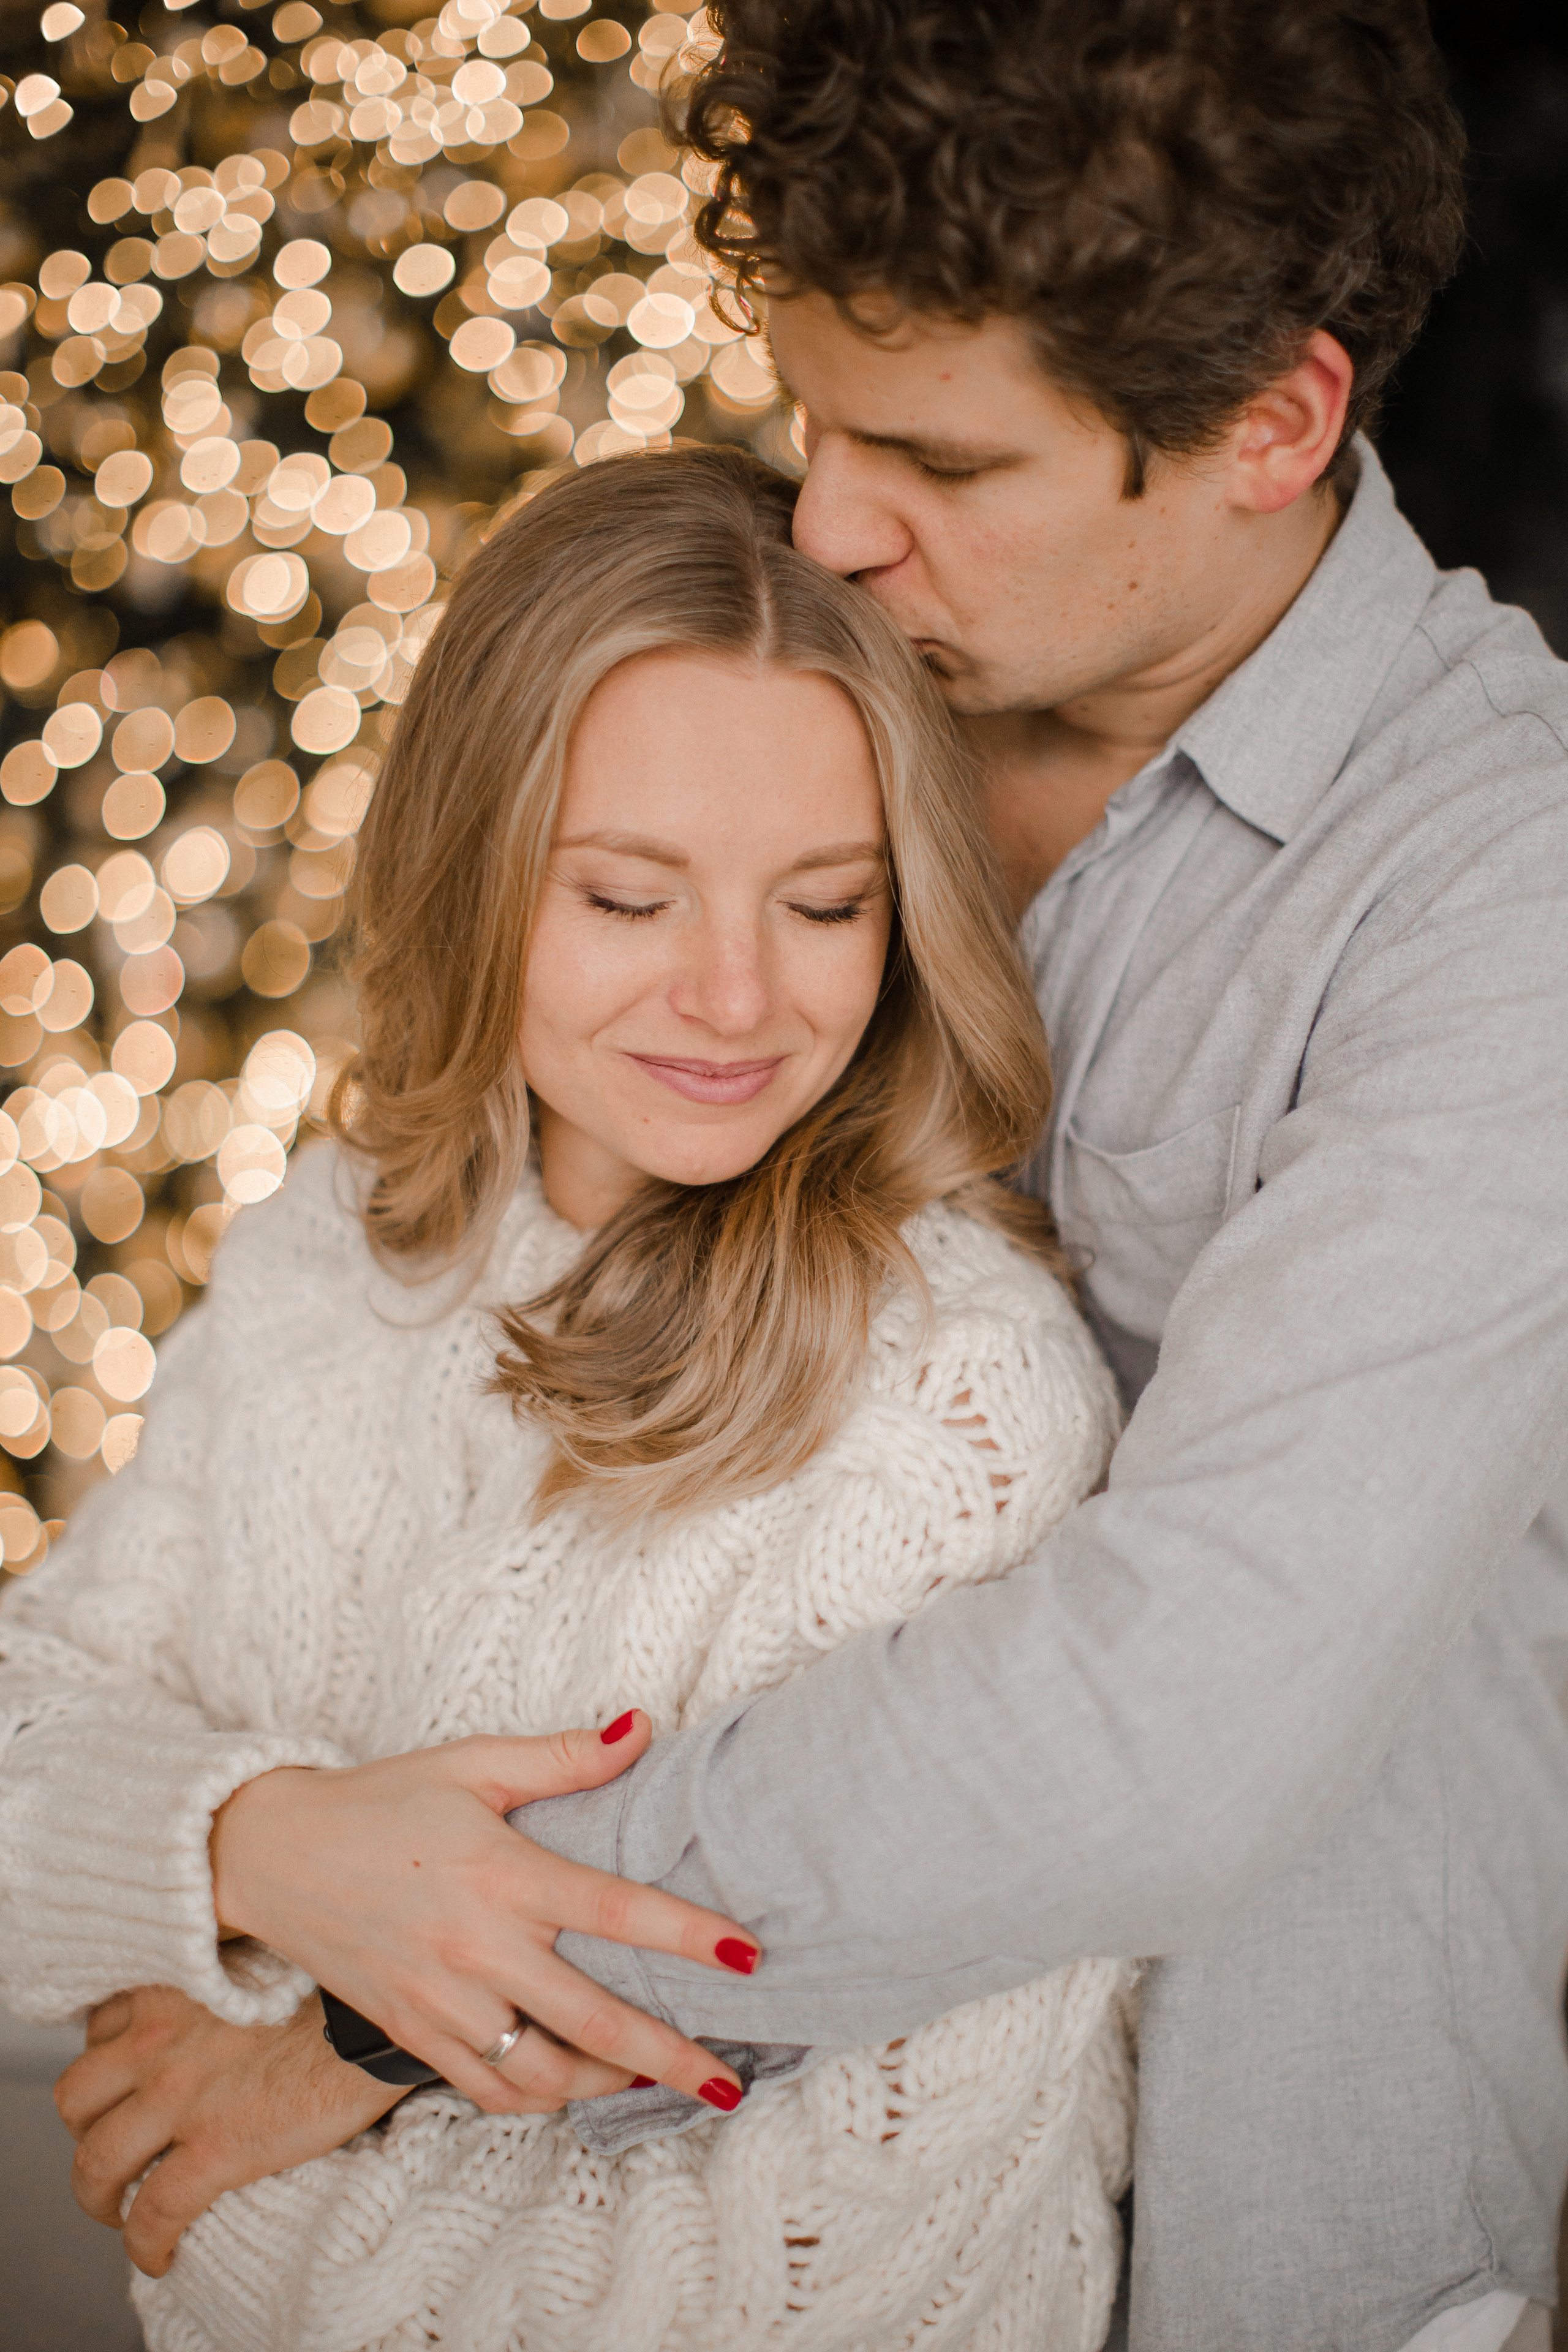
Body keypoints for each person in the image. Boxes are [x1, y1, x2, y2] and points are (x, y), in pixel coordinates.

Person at [26, 3, 1568, 2346]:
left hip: (1254, 2246)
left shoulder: (1501, 890)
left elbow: (1176, 1704)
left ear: (1278, 426)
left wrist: (382, 1990)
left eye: (934, 457)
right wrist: (263, 1845)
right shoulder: (826, 666)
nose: (829, 522)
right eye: (819, 419)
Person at [2, 447, 1136, 2350]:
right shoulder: (345, 1250)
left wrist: (283, 2087)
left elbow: (871, 2261)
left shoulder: (953, 1405)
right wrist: (262, 1844)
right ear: (478, 869)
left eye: (828, 904)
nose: (734, 999)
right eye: (626, 896)